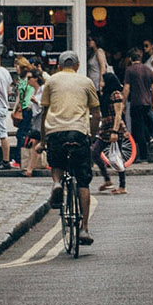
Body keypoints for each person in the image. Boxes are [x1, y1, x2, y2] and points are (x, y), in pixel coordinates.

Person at [39, 51, 100, 245]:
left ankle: (57, 183)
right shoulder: (86, 82)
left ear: (58, 65)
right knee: (83, 182)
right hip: (78, 133)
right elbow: (96, 112)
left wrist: (43, 140)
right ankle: (84, 229)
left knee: (57, 162)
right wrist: (90, 135)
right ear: (78, 65)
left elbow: (44, 111)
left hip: (55, 132)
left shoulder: (51, 81)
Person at [91, 63, 129, 194]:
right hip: (105, 127)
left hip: (114, 127)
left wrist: (114, 131)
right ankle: (107, 179)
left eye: (103, 81)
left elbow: (119, 114)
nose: (101, 83)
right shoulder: (105, 94)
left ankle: (122, 186)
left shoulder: (116, 94)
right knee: (95, 152)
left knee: (118, 156)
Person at [124, 46, 153, 163]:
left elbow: (127, 88)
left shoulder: (130, 70)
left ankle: (143, 156)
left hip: (136, 101)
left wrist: (123, 103)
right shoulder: (148, 70)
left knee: (138, 129)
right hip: (147, 101)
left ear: (130, 58)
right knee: (143, 124)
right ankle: (150, 138)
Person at [11, 60, 36, 169]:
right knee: (21, 134)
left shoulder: (29, 78)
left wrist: (30, 104)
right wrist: (14, 108)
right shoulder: (21, 80)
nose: (15, 68)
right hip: (23, 108)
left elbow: (33, 91)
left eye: (16, 65)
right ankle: (20, 158)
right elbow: (19, 96)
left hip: (28, 108)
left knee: (22, 134)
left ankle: (19, 159)